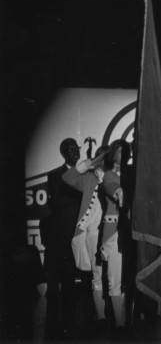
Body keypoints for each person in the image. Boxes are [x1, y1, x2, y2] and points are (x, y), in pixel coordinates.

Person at [61, 145, 110, 331]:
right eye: (101, 158)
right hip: (93, 234)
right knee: (97, 276)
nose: (103, 162)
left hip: (113, 233)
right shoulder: (88, 179)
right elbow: (67, 178)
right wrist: (87, 165)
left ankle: (118, 313)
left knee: (115, 276)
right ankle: (101, 315)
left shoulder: (115, 177)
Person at [41, 137, 83, 339]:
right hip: (64, 236)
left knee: (84, 281)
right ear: (63, 153)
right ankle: (63, 326)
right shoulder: (54, 175)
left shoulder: (89, 173)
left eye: (77, 148)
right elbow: (58, 201)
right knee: (65, 282)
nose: (75, 152)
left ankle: (84, 321)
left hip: (84, 234)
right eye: (71, 149)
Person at [99, 140, 130, 335]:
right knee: (115, 280)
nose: (123, 154)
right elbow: (111, 185)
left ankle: (129, 321)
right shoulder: (109, 174)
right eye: (120, 151)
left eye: (125, 151)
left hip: (131, 231)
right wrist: (118, 191)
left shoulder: (132, 172)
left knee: (129, 279)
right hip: (115, 232)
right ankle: (119, 323)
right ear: (113, 154)